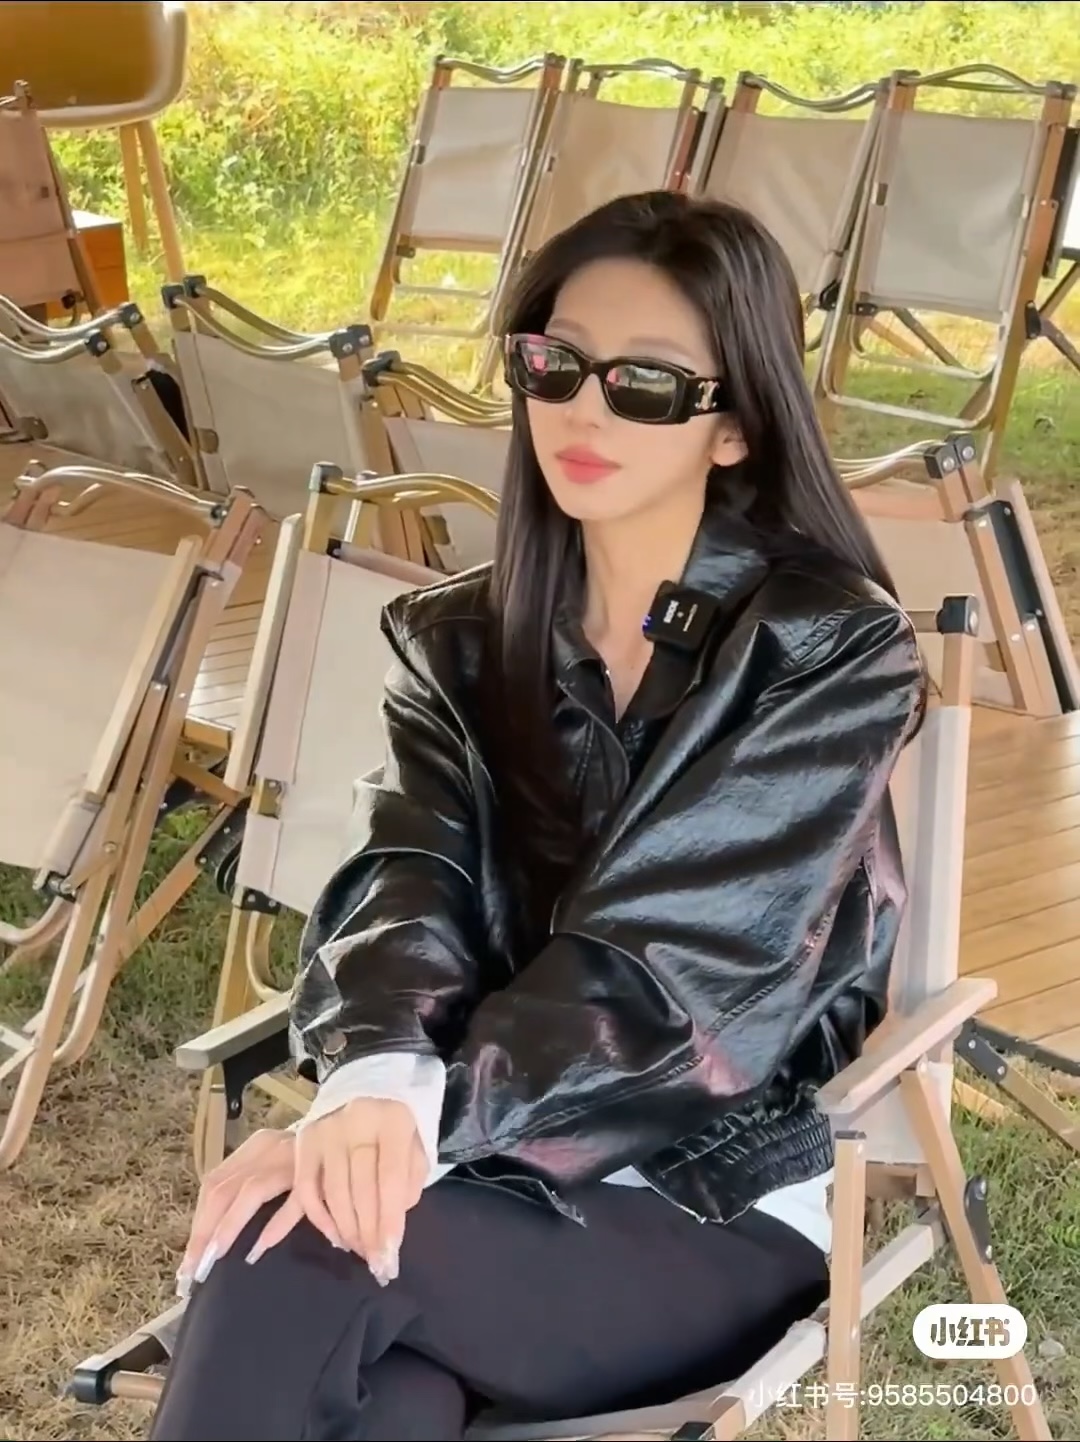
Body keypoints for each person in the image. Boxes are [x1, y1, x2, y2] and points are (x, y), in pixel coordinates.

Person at [149, 190, 927, 1441]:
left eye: (648, 384)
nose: (583, 409)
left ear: (736, 426)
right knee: (384, 1397)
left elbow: (669, 964)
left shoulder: (827, 650)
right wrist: (370, 1079)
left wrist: (405, 1124)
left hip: (708, 1187)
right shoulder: (460, 637)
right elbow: (408, 875)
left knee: (296, 1244)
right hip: (485, 1166)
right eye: (554, 364)